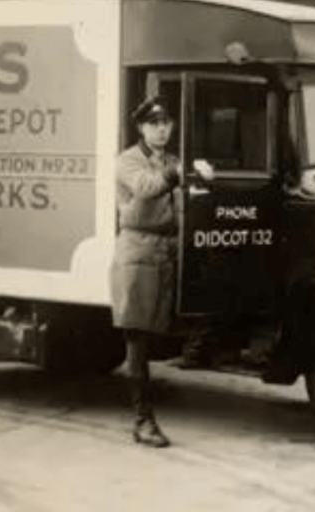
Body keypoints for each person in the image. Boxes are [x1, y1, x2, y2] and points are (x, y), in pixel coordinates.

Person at [110, 95, 182, 448]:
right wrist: (177, 173)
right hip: (138, 253)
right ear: (141, 127)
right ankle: (143, 421)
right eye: (154, 123)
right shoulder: (128, 160)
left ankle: (145, 415)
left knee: (153, 338)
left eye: (166, 122)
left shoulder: (171, 160)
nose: (162, 129)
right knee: (137, 340)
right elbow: (147, 188)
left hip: (164, 253)